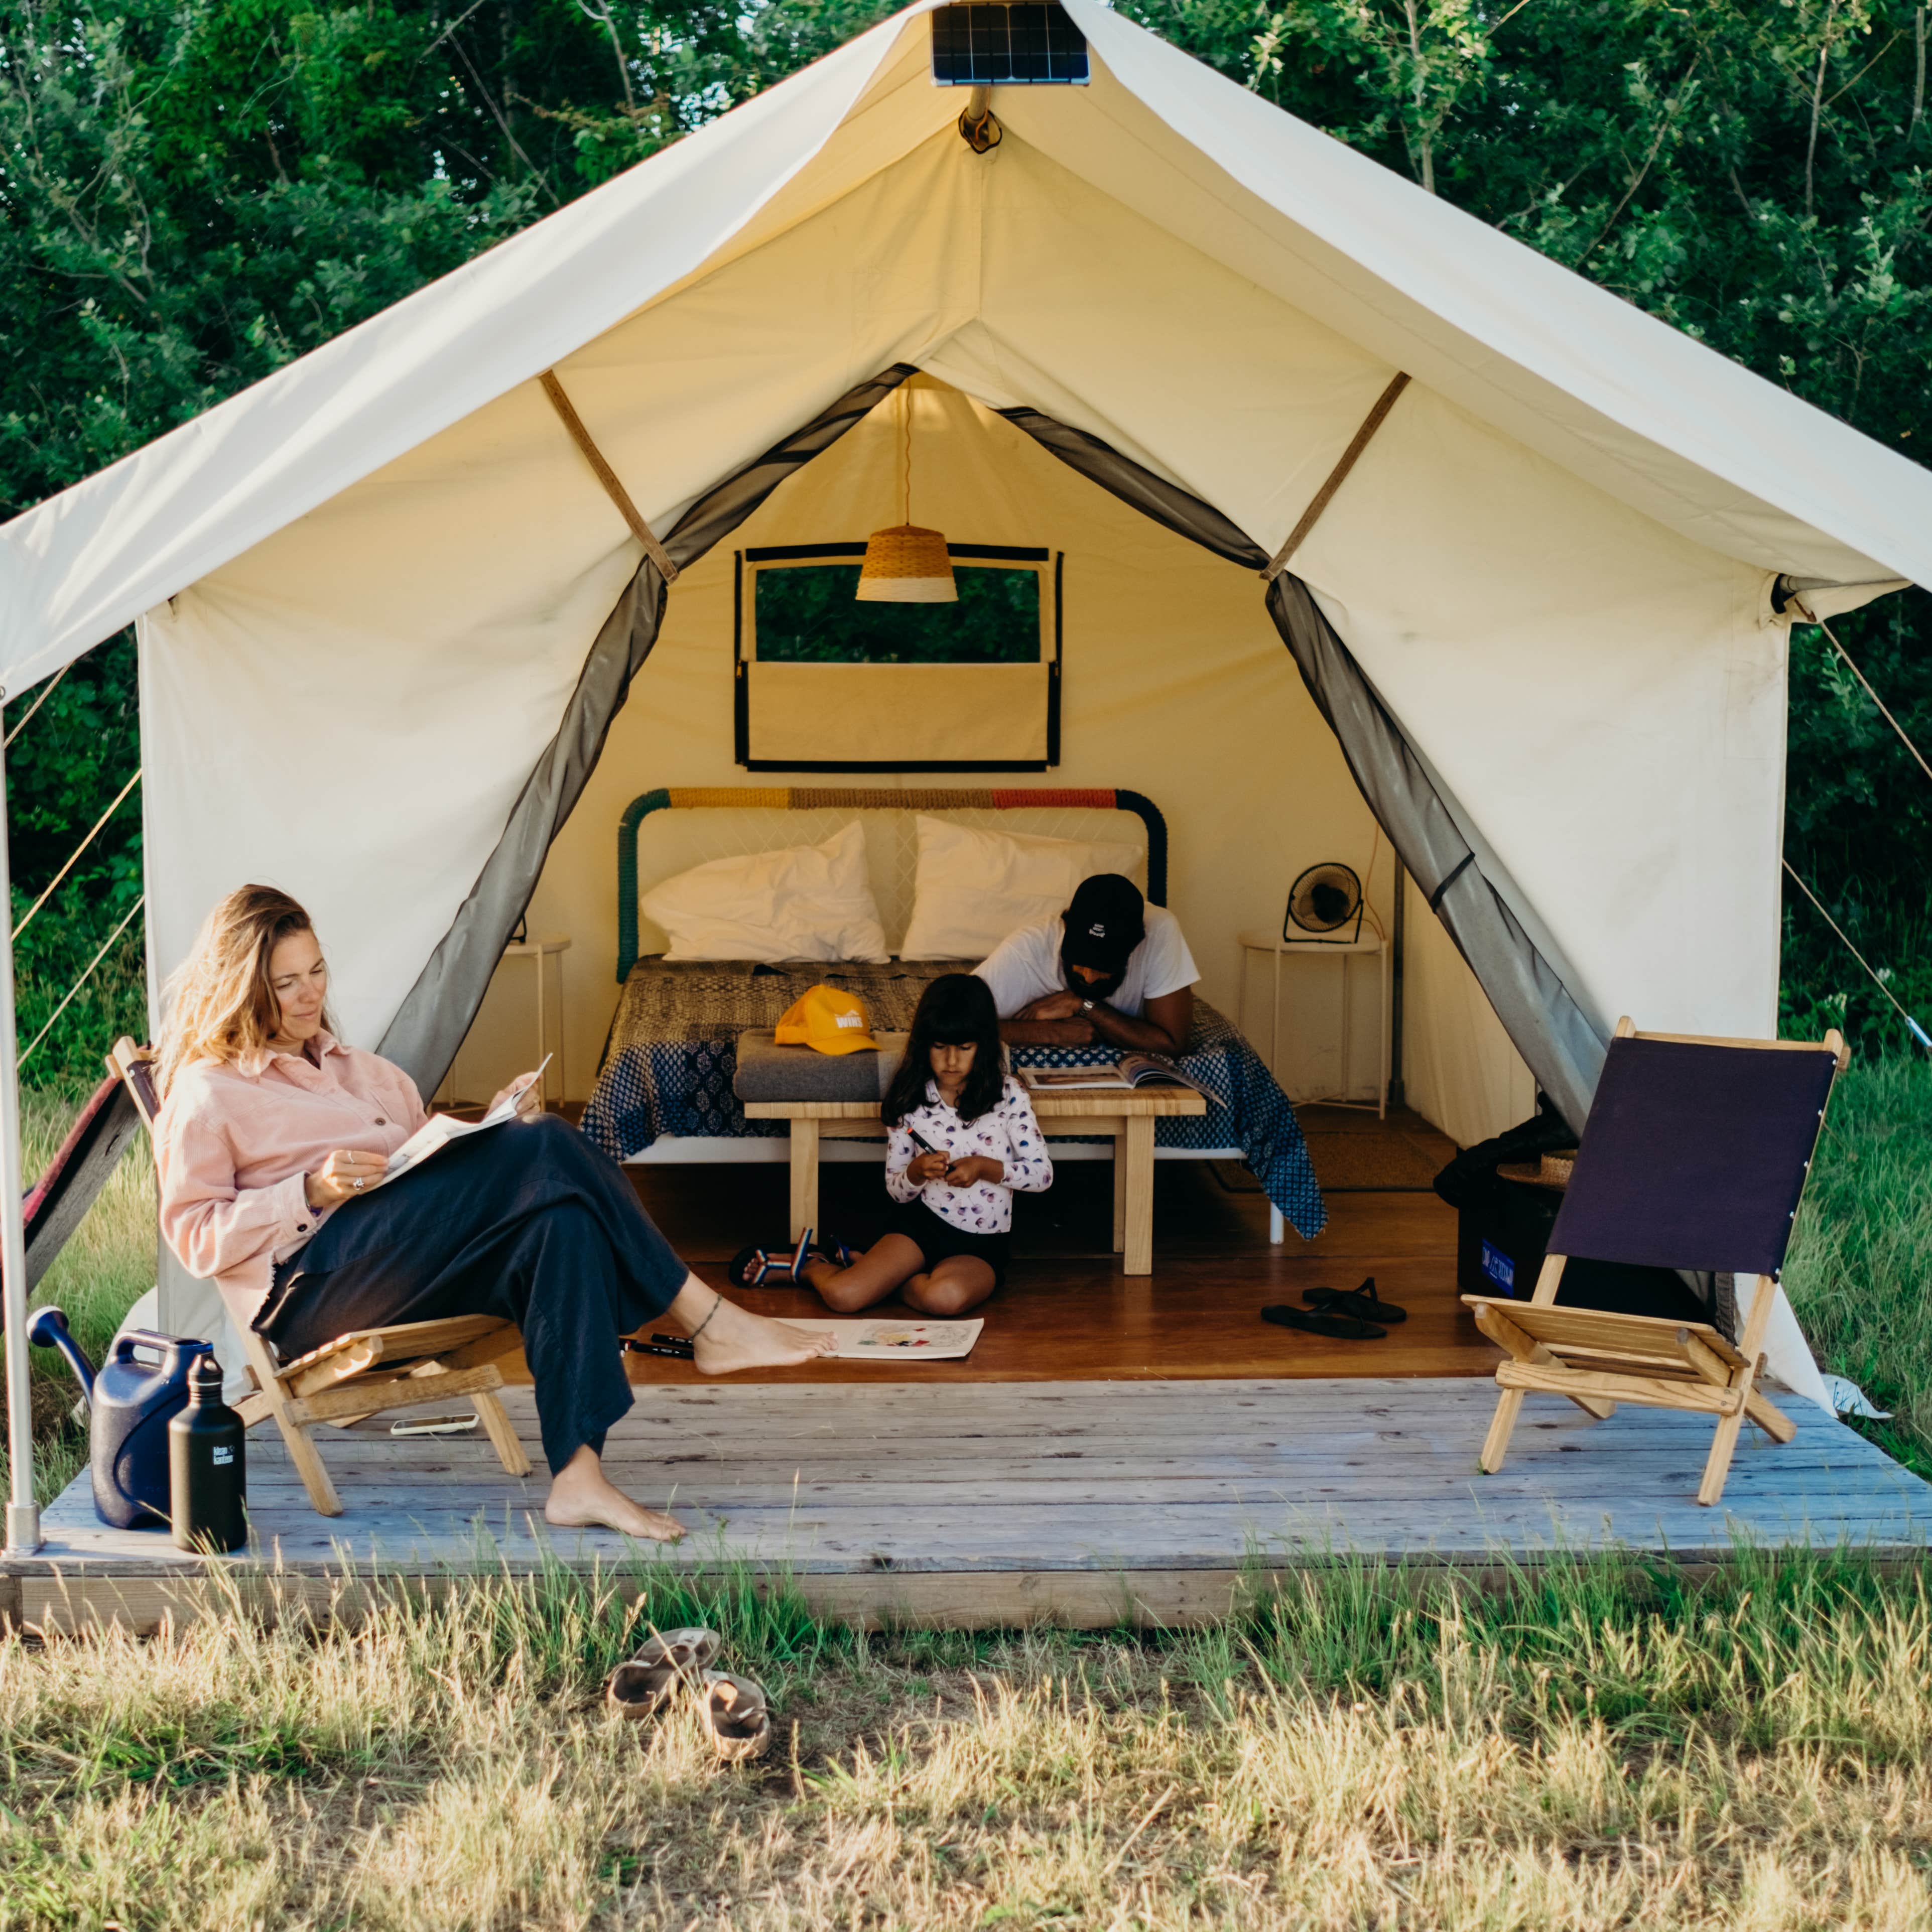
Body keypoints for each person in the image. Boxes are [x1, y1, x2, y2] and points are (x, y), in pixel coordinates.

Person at [152, 884, 835, 1543]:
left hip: (405, 1266)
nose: (311, 994)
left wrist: (496, 1127)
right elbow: (194, 1236)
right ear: (243, 988)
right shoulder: (208, 1092)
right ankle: (709, 1320)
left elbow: (425, 1173)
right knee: (548, 1146)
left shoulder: (365, 1071)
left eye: (317, 971)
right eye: (286, 983)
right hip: (317, 1292)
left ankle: (579, 1478)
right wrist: (307, 1192)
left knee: (559, 1223)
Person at [800, 974, 1051, 1317]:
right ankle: (812, 1266)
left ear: (984, 1045)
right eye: (939, 1046)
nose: (951, 1061)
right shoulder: (910, 1099)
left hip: (980, 1244)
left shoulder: (1008, 1095)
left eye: (965, 1048)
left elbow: (1041, 1176)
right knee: (843, 1296)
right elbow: (897, 1192)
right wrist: (916, 1173)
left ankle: (885, 1280)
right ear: (924, 1044)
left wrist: (983, 1167)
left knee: (944, 1299)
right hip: (919, 1229)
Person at [975, 873, 1199, 1055]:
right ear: (1065, 928)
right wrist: (1051, 1032)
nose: (1089, 977)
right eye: (1080, 960)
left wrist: (1083, 1005)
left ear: (1136, 946)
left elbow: (1173, 1045)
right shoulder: (1029, 948)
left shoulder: (1159, 931)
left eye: (1103, 966)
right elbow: (957, 1024)